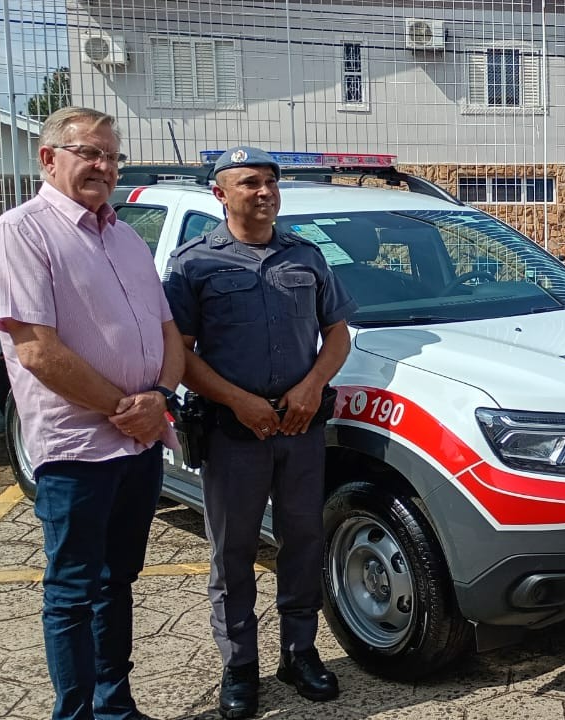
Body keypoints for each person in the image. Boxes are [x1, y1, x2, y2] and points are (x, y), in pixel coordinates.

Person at [0, 106, 184, 720]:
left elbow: (170, 333)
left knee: (117, 579)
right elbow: (37, 350)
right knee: (72, 591)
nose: (104, 166)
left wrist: (162, 400)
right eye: (90, 153)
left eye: (112, 156)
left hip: (139, 444)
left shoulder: (123, 235)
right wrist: (130, 409)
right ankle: (76, 714)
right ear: (49, 158)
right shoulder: (22, 231)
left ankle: (115, 706)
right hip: (78, 448)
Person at [162, 146, 355, 719]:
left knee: (303, 544)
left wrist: (312, 386)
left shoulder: (306, 256)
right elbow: (181, 354)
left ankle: (299, 653)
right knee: (234, 552)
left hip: (298, 428)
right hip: (233, 432)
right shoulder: (193, 263)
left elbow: (338, 334)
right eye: (250, 183)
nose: (266, 191)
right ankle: (239, 664)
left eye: (271, 182)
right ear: (221, 194)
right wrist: (240, 401)